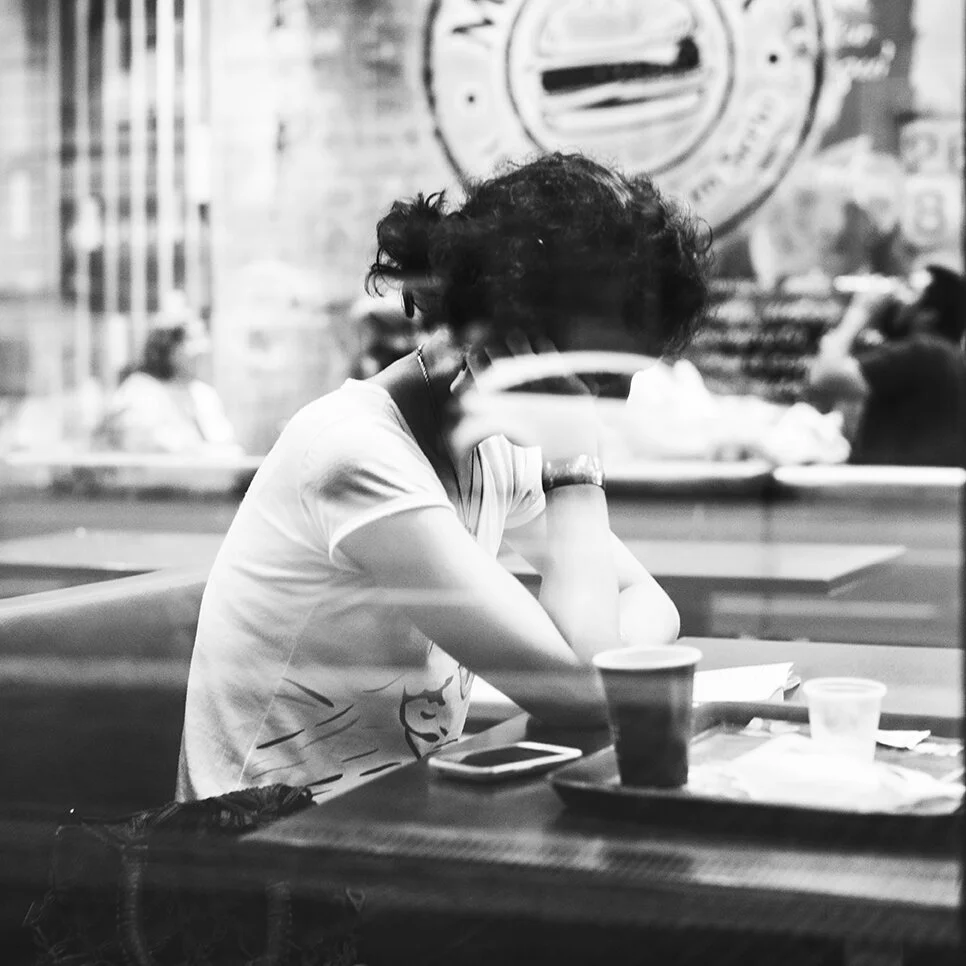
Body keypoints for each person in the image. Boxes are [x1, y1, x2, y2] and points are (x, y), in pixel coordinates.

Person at [176, 151, 713, 804]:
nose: (619, 401)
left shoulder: (496, 449)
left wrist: (602, 668)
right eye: (601, 371)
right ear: (510, 335)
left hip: (392, 824)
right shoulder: (356, 454)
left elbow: (652, 607)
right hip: (266, 858)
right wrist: (575, 454)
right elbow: (585, 698)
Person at [808, 265, 966, 466]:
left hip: (899, 492)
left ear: (929, 314)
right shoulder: (947, 356)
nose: (895, 297)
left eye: (910, 291)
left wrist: (859, 312)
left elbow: (824, 376)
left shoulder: (923, 352)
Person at [95, 317, 241, 457]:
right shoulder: (139, 392)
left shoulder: (204, 395)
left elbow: (226, 444)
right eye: (191, 340)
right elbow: (151, 448)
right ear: (166, 349)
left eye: (203, 338)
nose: (203, 349)